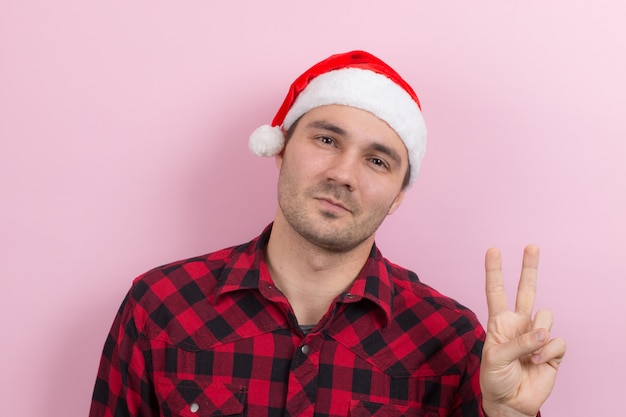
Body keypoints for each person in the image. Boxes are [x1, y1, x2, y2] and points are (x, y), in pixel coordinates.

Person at [89, 50, 566, 417]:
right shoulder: (160, 305)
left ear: (399, 194)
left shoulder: (454, 340)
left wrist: (505, 414)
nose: (343, 174)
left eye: (377, 161)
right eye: (326, 139)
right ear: (280, 150)